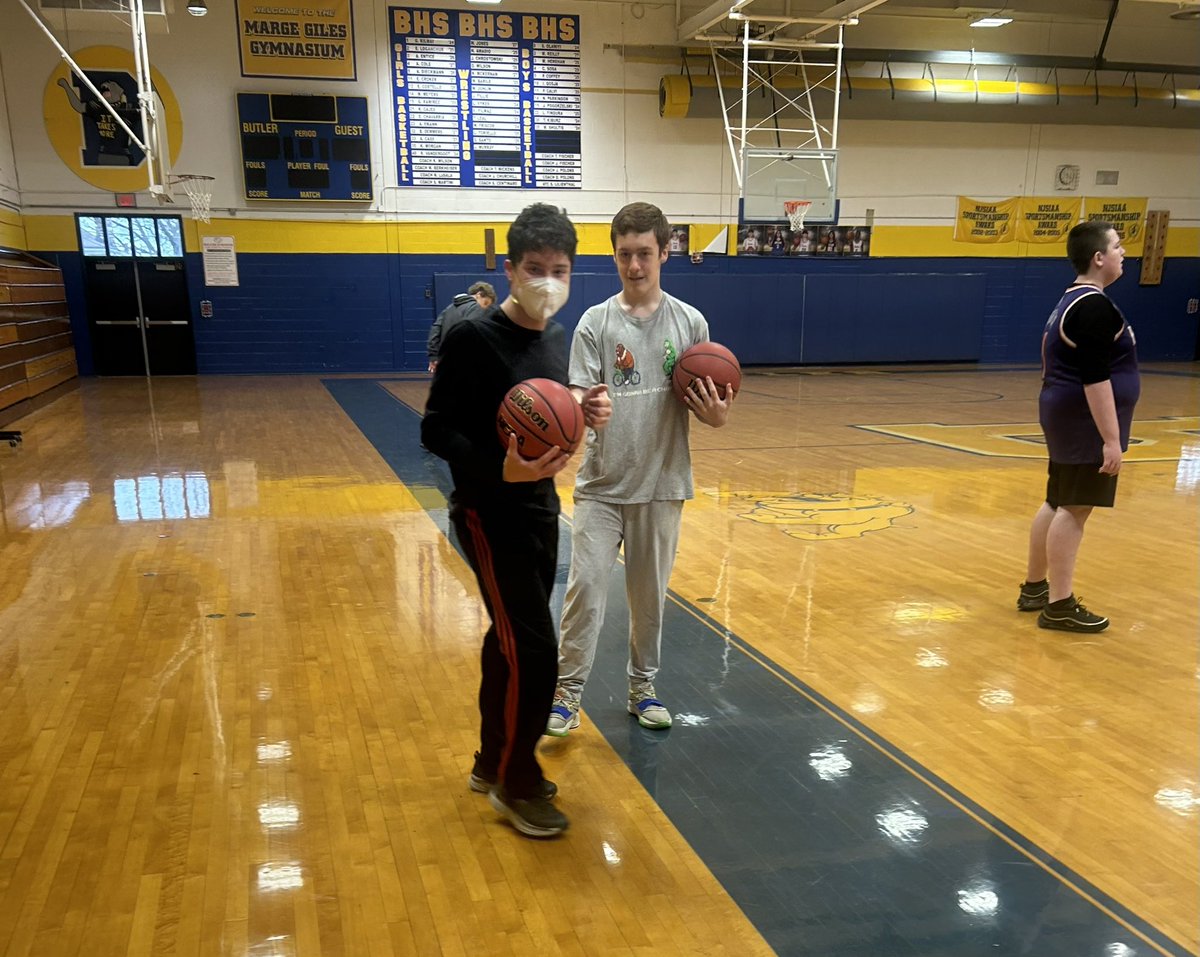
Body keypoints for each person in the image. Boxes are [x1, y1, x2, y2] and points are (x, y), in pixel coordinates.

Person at [421, 205, 611, 837]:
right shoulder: (473, 337)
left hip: (540, 509)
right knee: (535, 651)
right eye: (535, 269)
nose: (548, 282)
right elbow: (436, 428)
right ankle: (515, 780)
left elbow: (543, 417)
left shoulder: (554, 339)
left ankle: (489, 759)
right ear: (508, 269)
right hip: (485, 513)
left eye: (560, 270)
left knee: (506, 642)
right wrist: (498, 473)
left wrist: (584, 410)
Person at [547, 202, 733, 738]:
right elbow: (579, 392)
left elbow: (713, 406)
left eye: (645, 254)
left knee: (649, 599)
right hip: (602, 486)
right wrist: (586, 406)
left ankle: (642, 689)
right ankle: (567, 695)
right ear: (614, 255)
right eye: (624, 255)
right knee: (585, 588)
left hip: (662, 484)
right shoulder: (595, 323)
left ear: (665, 252)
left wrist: (718, 416)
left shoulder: (690, 322)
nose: (634, 266)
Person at [1017, 220, 1139, 632]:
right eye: (1118, 247)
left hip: (1064, 412)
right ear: (1098, 257)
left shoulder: (1071, 300)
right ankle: (1059, 604)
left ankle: (1036, 587)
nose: (1125, 254)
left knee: (1056, 500)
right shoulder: (1093, 306)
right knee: (1075, 507)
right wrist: (1110, 439)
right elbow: (1095, 376)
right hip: (1083, 419)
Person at [426, 281, 496, 372]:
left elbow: (435, 330)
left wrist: (433, 356)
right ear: (479, 294)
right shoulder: (475, 308)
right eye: (486, 303)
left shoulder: (449, 309)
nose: (484, 308)